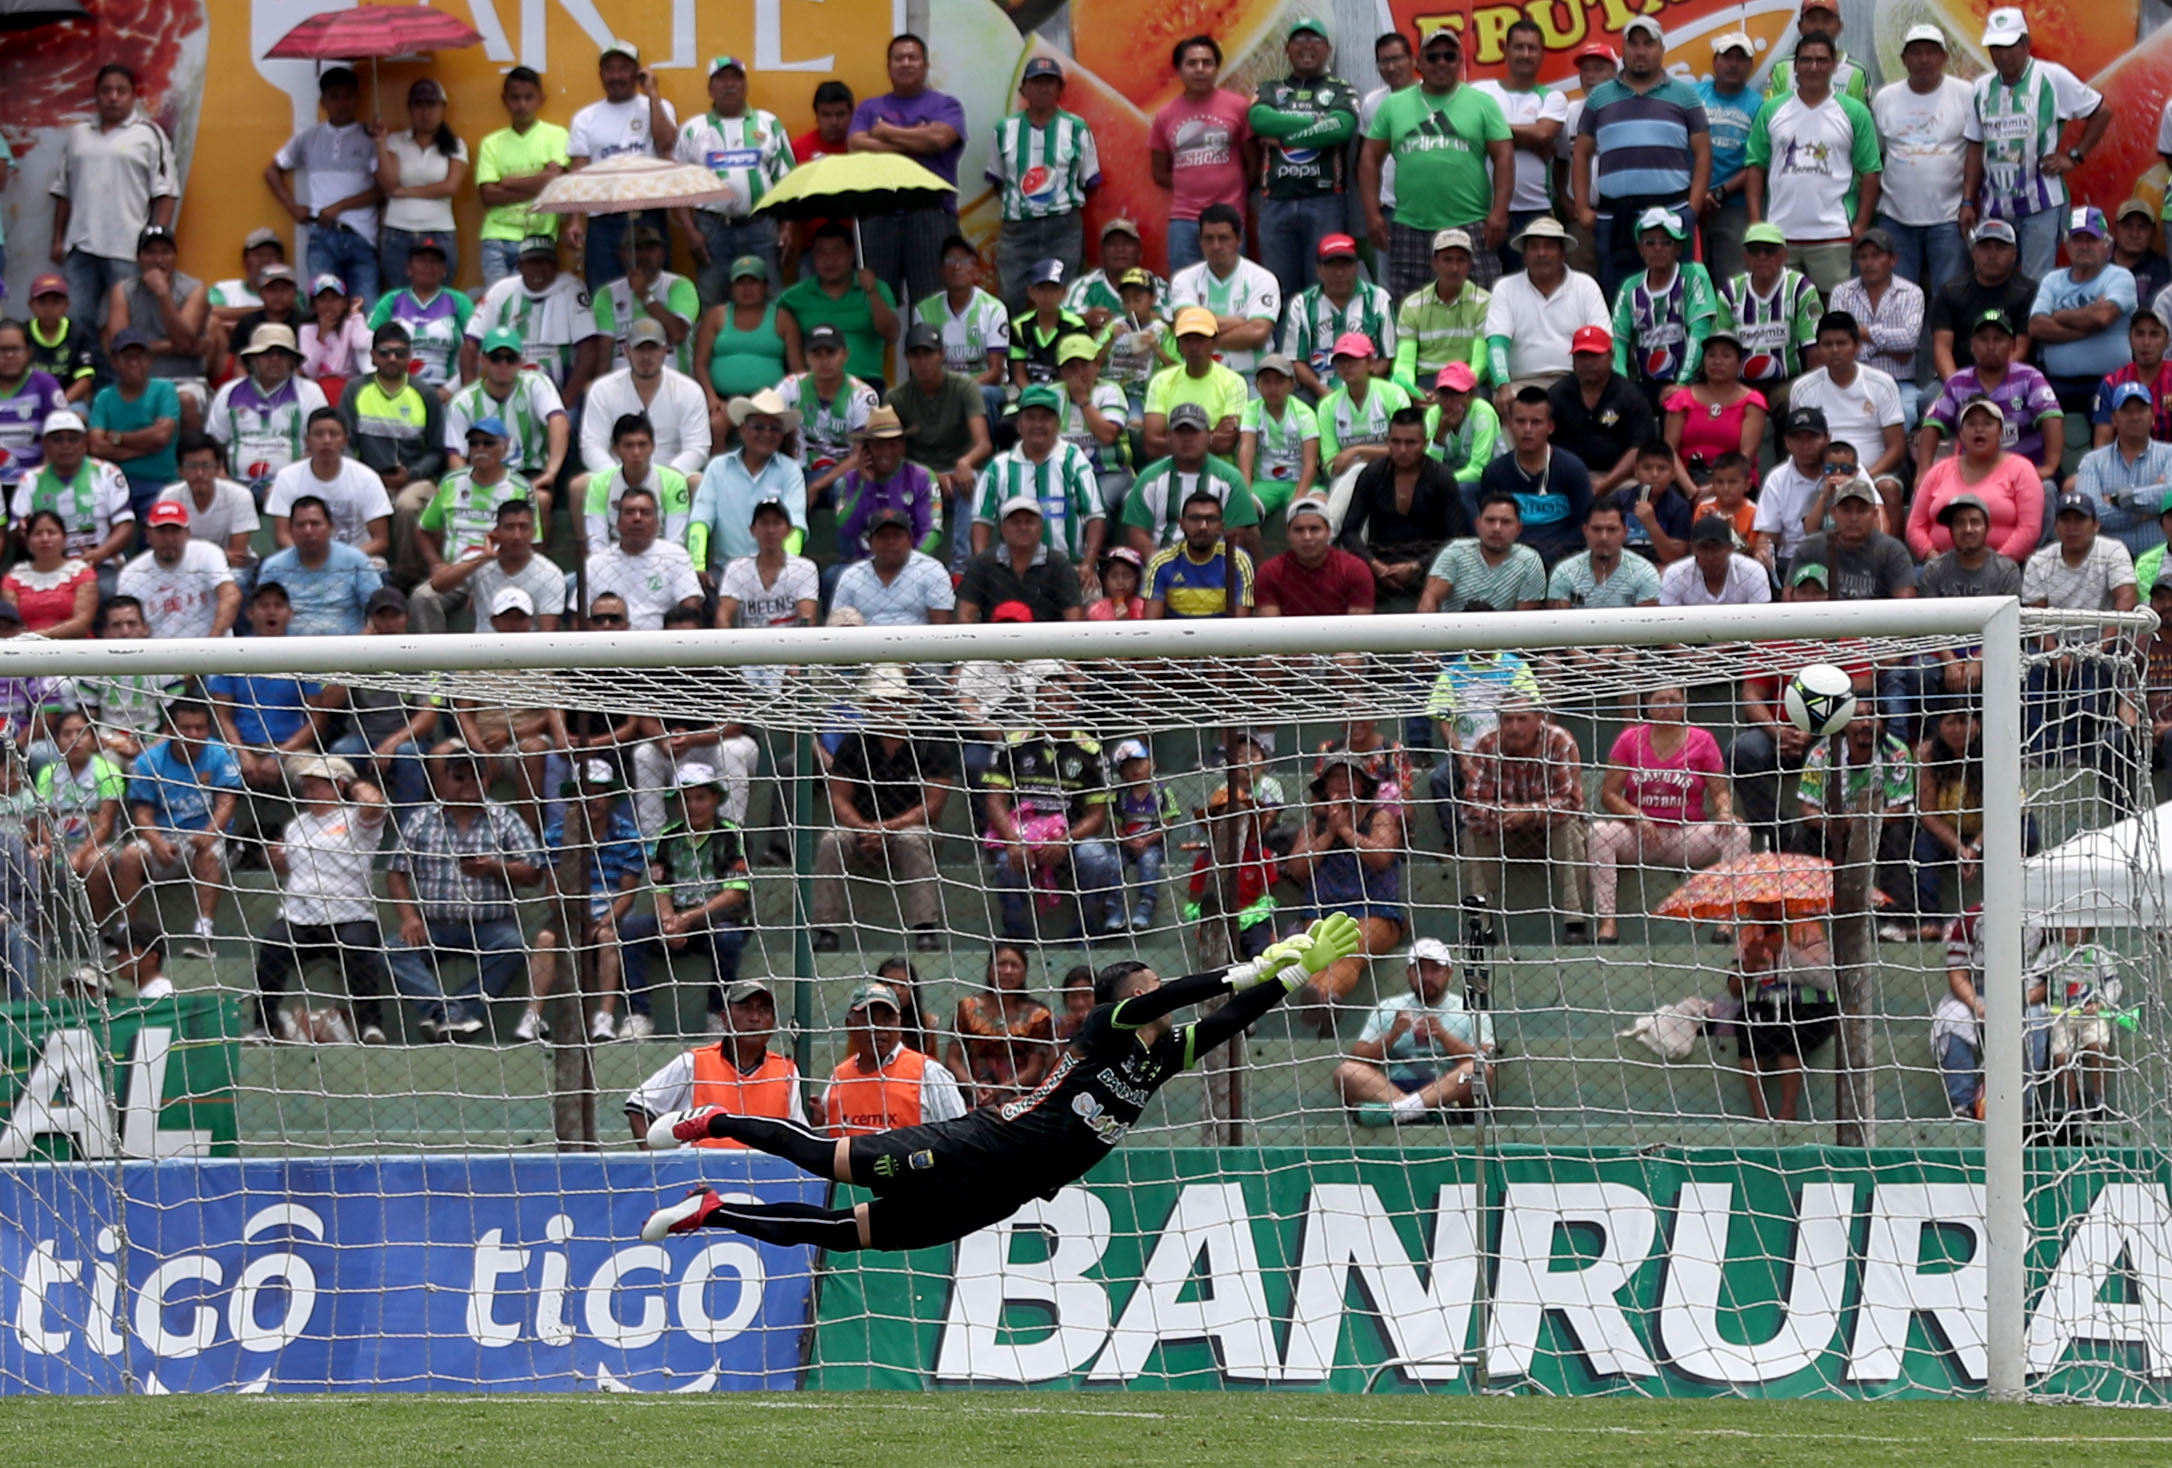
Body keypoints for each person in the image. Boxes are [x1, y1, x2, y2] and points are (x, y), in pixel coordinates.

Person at [383, 740, 545, 1040]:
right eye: (460, 777)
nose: (469, 784)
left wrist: (495, 867)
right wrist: (409, 918)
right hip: (434, 925)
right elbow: (396, 873)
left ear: (487, 779)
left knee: (513, 947)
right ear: (445, 780)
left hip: (491, 925)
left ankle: (451, 1012)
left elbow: (534, 871)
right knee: (395, 949)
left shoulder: (504, 818)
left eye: (477, 776)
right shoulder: (423, 819)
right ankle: (449, 1014)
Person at [1360, 25, 1511, 301]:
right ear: (1419, 62)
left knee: (1481, 306)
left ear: (1460, 61)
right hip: (1410, 226)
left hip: (1471, 223)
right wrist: (1372, 214)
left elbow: (1504, 156)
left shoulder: (1483, 104)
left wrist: (1499, 213)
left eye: (1449, 56)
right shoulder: (1393, 106)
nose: (1441, 62)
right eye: (1433, 56)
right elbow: (1369, 158)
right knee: (1410, 308)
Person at [1960, 7, 2109, 282]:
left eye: (2009, 46)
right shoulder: (1981, 87)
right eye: (1995, 47)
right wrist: (1968, 200)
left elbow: (2101, 111)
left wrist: (2074, 156)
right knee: (1991, 278)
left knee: (2036, 282)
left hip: (2042, 204)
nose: (2002, 54)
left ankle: (2029, 327)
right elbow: (1975, 145)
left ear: (2026, 44)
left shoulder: (2051, 77)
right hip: (1994, 204)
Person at [1590, 685, 1749, 944]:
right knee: (1599, 833)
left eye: (1674, 700)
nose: (1667, 706)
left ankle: (1726, 923)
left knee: (1739, 833)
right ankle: (1607, 923)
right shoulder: (1629, 739)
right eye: (1660, 700)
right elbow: (1608, 794)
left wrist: (1723, 812)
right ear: (1648, 704)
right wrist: (1637, 816)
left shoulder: (1703, 740)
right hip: (1640, 836)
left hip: (1686, 835)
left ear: (1684, 705)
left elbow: (1719, 791)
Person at [250, 756, 392, 1045]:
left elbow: (375, 804)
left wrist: (354, 783)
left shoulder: (357, 819)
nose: (308, 793)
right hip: (301, 917)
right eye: (306, 787)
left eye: (316, 786)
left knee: (358, 946)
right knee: (272, 947)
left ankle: (370, 1026)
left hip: (350, 915)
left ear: (338, 786)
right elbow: (289, 867)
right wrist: (276, 859)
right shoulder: (297, 825)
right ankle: (263, 1027)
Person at [1572, 16, 1710, 295]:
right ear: (1623, 49)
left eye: (1649, 43)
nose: (1640, 50)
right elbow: (1581, 154)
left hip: (1672, 215)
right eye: (1633, 44)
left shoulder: (1685, 96)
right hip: (1615, 219)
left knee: (1674, 297)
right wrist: (1583, 209)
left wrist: (1691, 208)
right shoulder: (1600, 97)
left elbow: (1703, 153)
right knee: (1619, 297)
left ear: (1662, 49)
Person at [811, 681, 951, 953]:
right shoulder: (854, 744)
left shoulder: (929, 743)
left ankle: (925, 928)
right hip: (860, 830)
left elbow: (932, 806)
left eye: (898, 702)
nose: (891, 708)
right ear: (871, 707)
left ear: (910, 706)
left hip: (916, 829)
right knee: (832, 840)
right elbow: (838, 797)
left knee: (911, 839)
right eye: (883, 701)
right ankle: (826, 930)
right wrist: (864, 828)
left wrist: (886, 828)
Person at [617, 762, 754, 1038]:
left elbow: (735, 892)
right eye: (686, 799)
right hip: (678, 921)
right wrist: (669, 923)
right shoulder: (666, 838)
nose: (693, 805)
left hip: (720, 920)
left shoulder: (731, 835)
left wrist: (686, 919)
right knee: (630, 931)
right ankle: (638, 1015)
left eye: (700, 798)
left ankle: (717, 1013)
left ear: (714, 799)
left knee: (727, 937)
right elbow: (662, 888)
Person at [1743, 31, 1881, 298]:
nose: (1813, 67)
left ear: (1833, 65)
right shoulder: (1772, 110)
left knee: (1833, 317)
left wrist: (1861, 224)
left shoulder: (1854, 112)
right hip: (1779, 235)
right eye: (1805, 60)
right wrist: (1756, 221)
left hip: (1833, 236)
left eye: (1821, 60)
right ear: (1794, 66)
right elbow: (1755, 166)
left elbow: (1871, 172)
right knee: (1782, 311)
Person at [519, 759, 647, 1043]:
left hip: (611, 912)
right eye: (586, 791)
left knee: (608, 939)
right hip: (569, 909)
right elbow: (553, 891)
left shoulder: (628, 835)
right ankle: (532, 1017)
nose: (593, 799)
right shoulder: (555, 835)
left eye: (600, 791)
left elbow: (628, 893)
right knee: (544, 939)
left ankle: (603, 1019)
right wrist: (573, 918)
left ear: (611, 796)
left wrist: (603, 921)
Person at [106, 700, 239, 957]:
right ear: (170, 729)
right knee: (131, 855)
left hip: (209, 838)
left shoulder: (221, 755)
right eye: (186, 727)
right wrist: (157, 843)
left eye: (200, 728)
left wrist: (209, 833)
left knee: (208, 853)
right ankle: (125, 930)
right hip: (164, 838)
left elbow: (226, 803)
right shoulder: (149, 761)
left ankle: (204, 933)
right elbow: (142, 814)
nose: (193, 734)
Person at [48, 64, 178, 328]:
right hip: (80, 247)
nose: (113, 97)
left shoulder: (149, 135)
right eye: (106, 91)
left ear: (133, 96)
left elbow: (166, 193)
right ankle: (86, 370)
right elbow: (64, 190)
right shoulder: (79, 134)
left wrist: (156, 247)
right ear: (96, 95)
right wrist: (58, 238)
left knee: (124, 323)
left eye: (121, 91)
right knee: (78, 321)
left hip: (127, 248)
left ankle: (116, 372)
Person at [848, 33, 968, 307]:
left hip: (932, 213)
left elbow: (939, 139)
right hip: (879, 215)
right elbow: (856, 143)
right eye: (898, 58)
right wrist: (916, 143)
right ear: (888, 67)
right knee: (875, 303)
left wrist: (885, 132)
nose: (906, 63)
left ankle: (930, 352)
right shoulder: (869, 108)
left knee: (932, 304)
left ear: (926, 65)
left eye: (912, 57)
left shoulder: (946, 105)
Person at [1249, 20, 1361, 297]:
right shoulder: (1269, 89)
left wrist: (1286, 138)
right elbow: (1259, 119)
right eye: (1299, 40)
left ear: (1328, 49)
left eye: (1315, 39)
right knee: (1277, 289)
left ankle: (1321, 343)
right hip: (1275, 201)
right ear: (1287, 49)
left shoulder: (1340, 89)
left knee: (1323, 289)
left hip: (1325, 202)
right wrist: (1318, 121)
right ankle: (1283, 341)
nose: (1307, 45)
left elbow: (1342, 127)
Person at [672, 53, 794, 301]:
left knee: (771, 299)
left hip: (762, 226)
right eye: (721, 79)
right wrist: (691, 233)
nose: (729, 85)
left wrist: (787, 228)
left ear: (746, 85)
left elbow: (787, 180)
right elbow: (679, 187)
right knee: (712, 300)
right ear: (709, 88)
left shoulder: (769, 124)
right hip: (713, 230)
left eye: (736, 78)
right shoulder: (693, 129)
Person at [1334, 939, 1493, 1125]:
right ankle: (1420, 1112)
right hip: (1392, 1089)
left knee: (1479, 1070)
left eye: (1435, 969)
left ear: (1449, 973)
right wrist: (1394, 1034)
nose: (1426, 976)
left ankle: (1402, 1112)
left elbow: (1486, 1058)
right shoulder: (1388, 1007)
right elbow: (1358, 1057)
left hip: (1449, 1093)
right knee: (1345, 1072)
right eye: (1419, 969)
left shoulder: (1469, 1010)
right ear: (1409, 973)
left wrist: (1444, 1036)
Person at [984, 56, 1100, 311]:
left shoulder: (1077, 128)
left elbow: (1089, 181)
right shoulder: (1004, 130)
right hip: (1017, 230)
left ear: (1060, 89)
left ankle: (1063, 351)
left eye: (1050, 82)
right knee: (1011, 298)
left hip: (1063, 228)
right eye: (1037, 82)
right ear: (1023, 89)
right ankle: (1013, 351)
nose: (1044, 88)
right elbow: (998, 181)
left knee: (1065, 300)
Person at [625, 978, 806, 1140]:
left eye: (764, 1010)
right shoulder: (693, 1063)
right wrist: (657, 1164)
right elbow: (639, 1106)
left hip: (766, 1175)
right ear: (725, 1019)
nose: (755, 1018)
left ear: (773, 1023)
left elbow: (800, 1136)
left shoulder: (786, 1072)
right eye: (745, 1008)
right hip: (702, 1175)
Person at [562, 39, 677, 291]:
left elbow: (666, 144)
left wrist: (653, 94)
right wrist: (574, 220)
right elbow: (578, 173)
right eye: (609, 69)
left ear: (637, 71)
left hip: (648, 216)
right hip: (604, 221)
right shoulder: (585, 118)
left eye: (623, 68)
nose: (616, 76)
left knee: (655, 291)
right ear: (600, 74)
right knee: (605, 293)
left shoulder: (657, 106)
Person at [265, 68, 384, 308]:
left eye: (349, 95)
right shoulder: (308, 138)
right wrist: (292, 207)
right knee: (323, 311)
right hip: (322, 237)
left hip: (360, 237)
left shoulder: (370, 137)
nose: (342, 103)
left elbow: (382, 191)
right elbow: (271, 171)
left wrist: (339, 207)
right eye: (335, 96)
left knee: (366, 313)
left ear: (358, 98)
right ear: (323, 101)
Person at [1871, 25, 1972, 303]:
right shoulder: (1885, 98)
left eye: (1931, 52)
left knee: (1949, 297)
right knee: (1897, 300)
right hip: (1895, 217)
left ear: (1944, 58)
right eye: (1916, 53)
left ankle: (1945, 348)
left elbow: (1976, 150)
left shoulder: (1965, 94)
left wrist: (1968, 202)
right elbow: (1877, 154)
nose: (1924, 59)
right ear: (1904, 59)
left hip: (1949, 217)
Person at [409, 418, 534, 633]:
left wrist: (485, 583)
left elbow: (533, 540)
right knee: (423, 597)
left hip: (501, 572)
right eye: (474, 443)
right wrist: (435, 563)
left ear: (504, 448)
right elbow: (424, 529)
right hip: (457, 574)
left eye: (488, 443)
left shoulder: (519, 487)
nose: (480, 449)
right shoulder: (451, 482)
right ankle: (435, 665)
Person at [1336, 409, 1470, 609]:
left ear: (1424, 443)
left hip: (1429, 567)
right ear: (1388, 442)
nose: (1402, 450)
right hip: (1378, 565)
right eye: (1396, 442)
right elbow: (1349, 531)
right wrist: (1375, 565)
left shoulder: (1441, 477)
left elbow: (1456, 539)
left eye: (1411, 443)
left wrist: (1416, 566)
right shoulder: (1372, 474)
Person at [342, 324, 446, 575]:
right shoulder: (356, 390)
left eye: (400, 353)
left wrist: (410, 474)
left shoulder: (425, 394)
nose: (392, 359)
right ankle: (358, 572)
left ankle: (406, 574)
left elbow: (437, 451)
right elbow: (344, 443)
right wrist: (366, 478)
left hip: (415, 479)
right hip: (367, 477)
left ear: (410, 357)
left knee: (407, 506)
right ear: (373, 356)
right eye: (385, 352)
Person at [1918, 310, 2063, 488]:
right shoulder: (1958, 382)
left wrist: (2050, 466)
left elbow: (2052, 417)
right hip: (1972, 475)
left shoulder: (2029, 377)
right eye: (1984, 339)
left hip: (2023, 475)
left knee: (2047, 488)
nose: (1991, 346)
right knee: (1925, 488)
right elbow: (1932, 424)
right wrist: (1923, 471)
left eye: (1998, 339)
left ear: (2011, 345)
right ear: (1972, 345)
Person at [1148, 35, 1256, 274]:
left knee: (1232, 289)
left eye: (1207, 63)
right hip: (1184, 219)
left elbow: (1253, 165)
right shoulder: (1165, 115)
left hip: (1230, 217)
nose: (1200, 69)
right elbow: (1159, 171)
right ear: (1179, 70)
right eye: (1192, 63)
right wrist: (1192, 187)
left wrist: (1228, 189)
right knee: (1186, 293)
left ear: (1217, 68)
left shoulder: (1238, 107)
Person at [462, 237, 608, 403]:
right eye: (532, 262)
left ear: (556, 265)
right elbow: (470, 343)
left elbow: (588, 348)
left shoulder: (571, 288)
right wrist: (471, 397)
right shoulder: (501, 291)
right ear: (520, 266)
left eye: (544, 262)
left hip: (560, 394)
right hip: (505, 397)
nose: (538, 269)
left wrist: (566, 401)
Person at [888, 324, 993, 553]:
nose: (923, 361)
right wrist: (931, 474)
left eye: (929, 353)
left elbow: (983, 443)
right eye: (916, 354)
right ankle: (905, 559)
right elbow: (891, 452)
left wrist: (964, 463)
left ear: (942, 354)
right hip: (918, 472)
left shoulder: (964, 387)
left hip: (959, 469)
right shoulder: (897, 397)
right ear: (906, 358)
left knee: (971, 482)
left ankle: (962, 567)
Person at [972, 385, 1104, 566]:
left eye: (1045, 418)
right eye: (1030, 418)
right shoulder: (998, 467)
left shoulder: (1074, 460)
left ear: (1058, 424)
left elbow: (1095, 516)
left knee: (1093, 591)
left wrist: (1088, 564)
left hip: (1067, 568)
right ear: (1018, 424)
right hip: (1013, 570)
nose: (1038, 425)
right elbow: (981, 521)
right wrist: (984, 568)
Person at [1788, 311, 1908, 506]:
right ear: (1818, 348)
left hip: (1873, 473)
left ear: (1857, 347)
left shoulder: (1882, 384)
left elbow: (1897, 447)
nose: (1835, 350)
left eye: (1842, 343)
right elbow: (1799, 443)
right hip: (1821, 475)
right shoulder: (1803, 389)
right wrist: (1830, 478)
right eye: (1827, 344)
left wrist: (1860, 477)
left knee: (1889, 488)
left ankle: (1889, 538)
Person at [816, 981, 968, 1135]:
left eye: (888, 1019)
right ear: (850, 1025)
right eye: (869, 1019)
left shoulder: (928, 1073)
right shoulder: (838, 1079)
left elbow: (959, 1137)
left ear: (899, 1024)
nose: (879, 1028)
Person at [576, 318, 710, 489]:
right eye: (639, 349)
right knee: (579, 487)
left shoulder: (689, 390)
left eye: (653, 349)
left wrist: (670, 474)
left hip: (672, 476)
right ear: (626, 351)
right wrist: (617, 477)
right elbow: (592, 444)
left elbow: (698, 447)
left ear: (665, 350)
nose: (646, 356)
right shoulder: (602, 389)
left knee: (697, 482)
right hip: (616, 474)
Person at [444, 327, 569, 510]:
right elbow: (456, 454)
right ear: (483, 361)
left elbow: (558, 421)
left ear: (521, 361)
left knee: (540, 499)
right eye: (496, 358)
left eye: (510, 359)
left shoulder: (536, 383)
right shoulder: (464, 401)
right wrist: (467, 486)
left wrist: (551, 472)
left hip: (528, 471)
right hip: (482, 474)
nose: (503, 365)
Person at [1483, 217, 1610, 396]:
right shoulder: (1505, 288)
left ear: (1563, 254)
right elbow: (1496, 344)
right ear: (1524, 256)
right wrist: (1503, 386)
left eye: (1549, 246)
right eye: (1534, 246)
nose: (1541, 253)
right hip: (1520, 384)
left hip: (1576, 383)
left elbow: (1603, 341)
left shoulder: (1585, 285)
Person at [1610, 207, 1719, 415]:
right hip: (1641, 385)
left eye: (1666, 242)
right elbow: (1618, 341)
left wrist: (1682, 383)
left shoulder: (1694, 275)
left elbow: (1700, 332)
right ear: (1640, 249)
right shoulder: (1629, 287)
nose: (1657, 248)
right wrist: (1623, 387)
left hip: (1689, 382)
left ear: (1678, 248)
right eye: (1650, 242)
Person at [1909, 399, 2045, 564]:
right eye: (1971, 424)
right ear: (1961, 434)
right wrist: (1934, 559)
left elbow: (2029, 529)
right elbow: (1915, 527)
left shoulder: (2022, 469)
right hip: (1941, 568)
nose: (1979, 429)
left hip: (2002, 569)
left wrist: (1995, 566)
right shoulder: (1939, 471)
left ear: (2001, 432)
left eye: (1988, 424)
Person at [2029, 208, 2138, 413]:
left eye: (2092, 240)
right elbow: (2036, 327)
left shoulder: (2120, 277)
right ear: (2067, 245)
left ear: (2107, 245)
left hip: (2110, 382)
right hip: (2057, 384)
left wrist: (2058, 315)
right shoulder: (2052, 280)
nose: (2084, 246)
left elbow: (2102, 316)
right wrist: (2090, 325)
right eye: (2078, 239)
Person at [12, 409, 133, 594]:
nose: (66, 445)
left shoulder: (107, 472)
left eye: (73, 439)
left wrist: (101, 553)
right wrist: (22, 532)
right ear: (45, 444)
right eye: (57, 439)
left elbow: (125, 525)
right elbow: (15, 530)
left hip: (100, 564)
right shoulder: (31, 480)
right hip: (48, 567)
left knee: (107, 590)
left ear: (85, 442)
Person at [1730, 918, 1839, 1120]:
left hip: (1809, 1006)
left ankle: (1787, 1111)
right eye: (1760, 906)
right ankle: (1760, 1114)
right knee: (1748, 1033)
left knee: (1786, 1035)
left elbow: (1825, 980)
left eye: (1771, 906)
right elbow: (1735, 990)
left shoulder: (1808, 930)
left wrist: (1786, 949)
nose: (1766, 911)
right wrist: (1750, 964)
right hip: (1765, 1006)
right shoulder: (1748, 935)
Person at [689, 387, 807, 570]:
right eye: (758, 427)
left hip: (775, 571)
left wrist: (785, 569)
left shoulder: (790, 471)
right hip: (726, 570)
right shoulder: (718, 468)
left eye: (775, 429)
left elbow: (795, 526)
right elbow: (700, 520)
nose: (767, 434)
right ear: (742, 430)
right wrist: (698, 566)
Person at [104, 226, 209, 429]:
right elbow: (119, 348)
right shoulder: (123, 290)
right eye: (150, 252)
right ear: (138, 258)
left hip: (185, 379)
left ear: (175, 256)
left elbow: (184, 341)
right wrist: (174, 348)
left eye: (165, 252)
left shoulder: (195, 288)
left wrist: (163, 295)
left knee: (186, 401)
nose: (158, 260)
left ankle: (192, 458)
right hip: (137, 380)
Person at [473, 67, 570, 287]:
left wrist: (508, 182)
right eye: (515, 98)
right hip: (495, 237)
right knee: (499, 306)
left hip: (539, 237)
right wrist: (539, 180)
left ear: (541, 99)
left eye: (529, 97)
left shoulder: (556, 136)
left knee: (530, 306)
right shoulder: (491, 143)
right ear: (504, 100)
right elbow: (488, 195)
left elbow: (554, 182)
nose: (522, 104)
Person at [205, 323, 325, 499]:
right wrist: (224, 479)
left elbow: (320, 445)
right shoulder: (229, 392)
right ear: (252, 359)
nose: (275, 359)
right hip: (235, 485)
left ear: (292, 360)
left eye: (282, 354)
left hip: (294, 488)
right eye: (267, 354)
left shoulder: (309, 392)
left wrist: (289, 483)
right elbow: (213, 443)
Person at [778, 226, 899, 394]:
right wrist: (800, 375)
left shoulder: (877, 288)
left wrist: (872, 293)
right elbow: (775, 323)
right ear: (813, 256)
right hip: (816, 387)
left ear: (851, 253)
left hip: (865, 383)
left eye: (837, 252)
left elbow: (892, 335)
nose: (829, 260)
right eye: (822, 253)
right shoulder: (794, 296)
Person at [1122, 402, 1254, 556]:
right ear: (1169, 438)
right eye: (1180, 432)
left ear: (1210, 436)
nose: (1187, 439)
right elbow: (1138, 533)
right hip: (1162, 567)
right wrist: (1161, 567)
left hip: (1216, 570)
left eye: (1194, 432)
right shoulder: (1149, 479)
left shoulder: (1231, 479)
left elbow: (1236, 536)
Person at [1168, 204, 1280, 386]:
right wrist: (1240, 322)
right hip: (1199, 376)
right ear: (1200, 241)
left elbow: (1258, 332)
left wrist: (1201, 338)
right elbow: (1185, 323)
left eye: (1224, 238)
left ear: (1239, 239)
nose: (1216, 246)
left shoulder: (1262, 278)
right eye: (1209, 238)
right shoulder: (1184, 278)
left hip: (1250, 377)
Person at [1477, 388, 1592, 564]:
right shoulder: (1495, 472)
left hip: (1563, 562)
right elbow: (1490, 525)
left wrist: (1550, 558)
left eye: (1536, 422)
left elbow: (1584, 526)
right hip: (1509, 563)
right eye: (1520, 421)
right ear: (1509, 424)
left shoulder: (1573, 469)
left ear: (1550, 427)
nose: (1527, 429)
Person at [372, 80, 467, 293]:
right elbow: (389, 184)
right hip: (397, 232)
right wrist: (380, 144)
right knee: (400, 298)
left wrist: (405, 191)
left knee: (439, 298)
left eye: (432, 105)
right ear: (410, 108)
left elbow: (450, 187)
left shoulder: (456, 144)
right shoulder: (395, 141)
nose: (426, 112)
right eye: (419, 105)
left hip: (439, 230)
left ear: (443, 108)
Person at [1722, 222, 1824, 415]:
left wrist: (1814, 392)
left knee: (1792, 405)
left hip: (1787, 382)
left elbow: (1814, 350)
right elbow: (1721, 347)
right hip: (1740, 384)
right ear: (1745, 257)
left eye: (1770, 251)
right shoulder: (1731, 291)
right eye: (1754, 251)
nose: (1762, 257)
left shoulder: (1801, 289)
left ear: (1784, 255)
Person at [943, 944, 1059, 1110]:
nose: (1008, 970)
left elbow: (1035, 1068)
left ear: (1024, 972)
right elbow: (953, 1059)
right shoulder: (967, 1009)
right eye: (1001, 964)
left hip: (1019, 1102)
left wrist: (1000, 1090)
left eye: (1014, 965)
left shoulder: (1038, 1015)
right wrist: (974, 1087)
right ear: (990, 969)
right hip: (972, 1098)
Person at [265, 409, 392, 560]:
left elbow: (380, 540)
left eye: (333, 434)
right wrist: (309, 560)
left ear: (345, 440)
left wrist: (339, 560)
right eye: (319, 434)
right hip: (302, 559)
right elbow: (282, 535)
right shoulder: (287, 477)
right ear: (308, 440)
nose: (326, 440)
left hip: (354, 558)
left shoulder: (367, 478)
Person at [1283, 233, 1394, 401]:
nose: (1339, 273)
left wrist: (1359, 387)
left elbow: (1388, 357)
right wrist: (1322, 391)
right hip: (1318, 390)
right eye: (1332, 266)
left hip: (1368, 387)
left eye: (1346, 265)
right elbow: (1296, 360)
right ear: (1318, 270)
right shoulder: (1302, 304)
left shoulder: (1378, 298)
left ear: (1357, 266)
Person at [84, 328, 178, 525]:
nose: (134, 362)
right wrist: (148, 448)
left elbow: (161, 437)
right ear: (114, 361)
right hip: (113, 484)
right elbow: (96, 447)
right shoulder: (104, 397)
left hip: (160, 484)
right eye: (126, 357)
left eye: (140, 356)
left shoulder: (165, 389)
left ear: (150, 360)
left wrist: (117, 438)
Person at [1927, 219, 2038, 385]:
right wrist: (1957, 386)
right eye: (1985, 248)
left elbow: (2022, 350)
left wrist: (1989, 384)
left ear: (2014, 254)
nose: (1992, 255)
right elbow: (1942, 348)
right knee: (1927, 401)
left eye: (2000, 248)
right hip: (1957, 377)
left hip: (2011, 379)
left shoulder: (2028, 292)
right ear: (1973, 253)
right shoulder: (1951, 290)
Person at [914, 236, 1011, 423]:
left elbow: (995, 372)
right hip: (940, 389)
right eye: (950, 260)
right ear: (941, 270)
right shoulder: (924, 310)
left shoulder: (993, 309)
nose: (957, 266)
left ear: (976, 269)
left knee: (981, 396)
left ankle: (986, 450)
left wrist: (959, 392)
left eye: (965, 261)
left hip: (983, 388)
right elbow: (923, 366)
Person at [833, 414, 944, 572]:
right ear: (866, 449)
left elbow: (932, 530)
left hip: (913, 565)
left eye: (893, 444)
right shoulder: (851, 479)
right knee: (832, 576)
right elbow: (846, 530)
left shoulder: (922, 476)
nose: (886, 452)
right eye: (879, 446)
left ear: (903, 446)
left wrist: (910, 562)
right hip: (864, 568)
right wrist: (865, 485)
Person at [115, 499, 236, 640]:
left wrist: (211, 643)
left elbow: (231, 596)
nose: (169, 538)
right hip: (158, 656)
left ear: (187, 533)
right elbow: (124, 622)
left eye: (175, 531)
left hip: (212, 652)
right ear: (148, 534)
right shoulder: (131, 574)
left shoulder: (207, 554)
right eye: (162, 531)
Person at [366, 236, 471, 397]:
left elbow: (477, 348)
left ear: (444, 270)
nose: (428, 266)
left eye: (435, 262)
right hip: (395, 388)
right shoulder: (391, 300)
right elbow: (366, 344)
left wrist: (449, 390)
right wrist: (385, 385)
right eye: (422, 260)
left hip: (446, 390)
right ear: (408, 268)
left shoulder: (459, 301)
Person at [2074, 384, 2172, 555]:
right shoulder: (2092, 462)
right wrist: (2146, 512)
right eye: (2126, 411)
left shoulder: (2169, 454)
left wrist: (2117, 499)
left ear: (2153, 417)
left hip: (2161, 564)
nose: (2134, 417)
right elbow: (2091, 514)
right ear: (2114, 418)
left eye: (2141, 409)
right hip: (2109, 565)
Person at [1662, 329, 1766, 492]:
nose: (1717, 361)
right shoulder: (1681, 399)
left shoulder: (1752, 402)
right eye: (1711, 355)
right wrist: (1691, 490)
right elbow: (1669, 450)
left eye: (1726, 356)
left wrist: (1713, 489)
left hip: (1734, 484)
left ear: (1739, 363)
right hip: (1685, 481)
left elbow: (1745, 458)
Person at [1828, 229, 1926, 400]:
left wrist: (1861, 333)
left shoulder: (1912, 293)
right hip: (1852, 381)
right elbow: (1838, 338)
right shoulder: (1841, 293)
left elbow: (1910, 339)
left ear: (1893, 259)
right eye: (1863, 257)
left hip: (1899, 383)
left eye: (1876, 256)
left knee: (1906, 415)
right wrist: (1891, 348)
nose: (1868, 263)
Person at [1391, 230, 1489, 398]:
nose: (1454, 268)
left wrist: (1453, 392)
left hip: (1466, 379)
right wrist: (1415, 392)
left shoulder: (1484, 302)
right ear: (1434, 263)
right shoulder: (1412, 304)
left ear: (1470, 264)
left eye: (1461, 260)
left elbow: (1481, 363)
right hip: (1426, 379)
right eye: (1447, 260)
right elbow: (1404, 363)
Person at [1696, 31, 1760, 290]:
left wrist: (1720, 192)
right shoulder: (1692, 95)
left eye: (1740, 59)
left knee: (1732, 282)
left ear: (1749, 66)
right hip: (1691, 201)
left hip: (1733, 204)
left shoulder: (1758, 105)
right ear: (1715, 62)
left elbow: (1757, 161)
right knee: (1691, 281)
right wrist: (1697, 193)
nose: (1733, 64)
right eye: (1727, 57)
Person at [588, 486, 703, 630]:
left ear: (657, 524)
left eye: (645, 513)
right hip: (610, 646)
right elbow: (578, 615)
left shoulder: (676, 556)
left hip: (661, 645)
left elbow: (690, 609)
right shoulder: (596, 563)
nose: (637, 518)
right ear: (617, 523)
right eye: (629, 512)